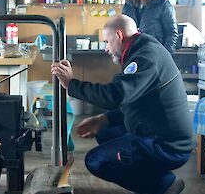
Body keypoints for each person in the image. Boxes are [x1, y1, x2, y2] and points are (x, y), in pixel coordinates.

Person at [51, 15, 195, 194]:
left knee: (96, 161)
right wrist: (104, 119)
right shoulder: (142, 47)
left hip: (169, 146)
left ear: (118, 35)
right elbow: (135, 99)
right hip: (158, 130)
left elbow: (116, 96)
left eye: (107, 42)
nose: (106, 49)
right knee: (105, 131)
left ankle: (164, 184)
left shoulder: (145, 56)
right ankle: (152, 174)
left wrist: (72, 84)